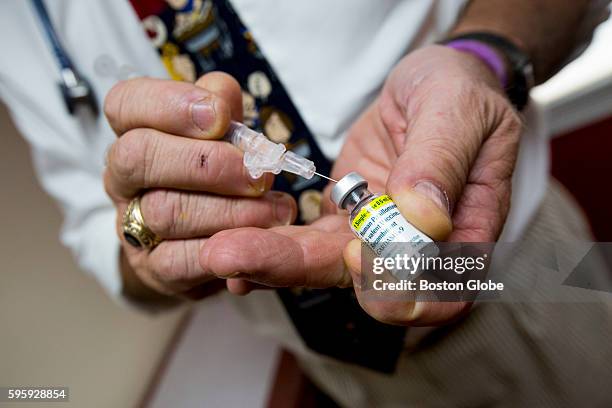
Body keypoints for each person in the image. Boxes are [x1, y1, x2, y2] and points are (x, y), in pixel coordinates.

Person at [2, 0, 612, 405]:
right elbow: (92, 225)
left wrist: (479, 58)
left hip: (524, 271)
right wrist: (144, 245)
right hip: (351, 371)